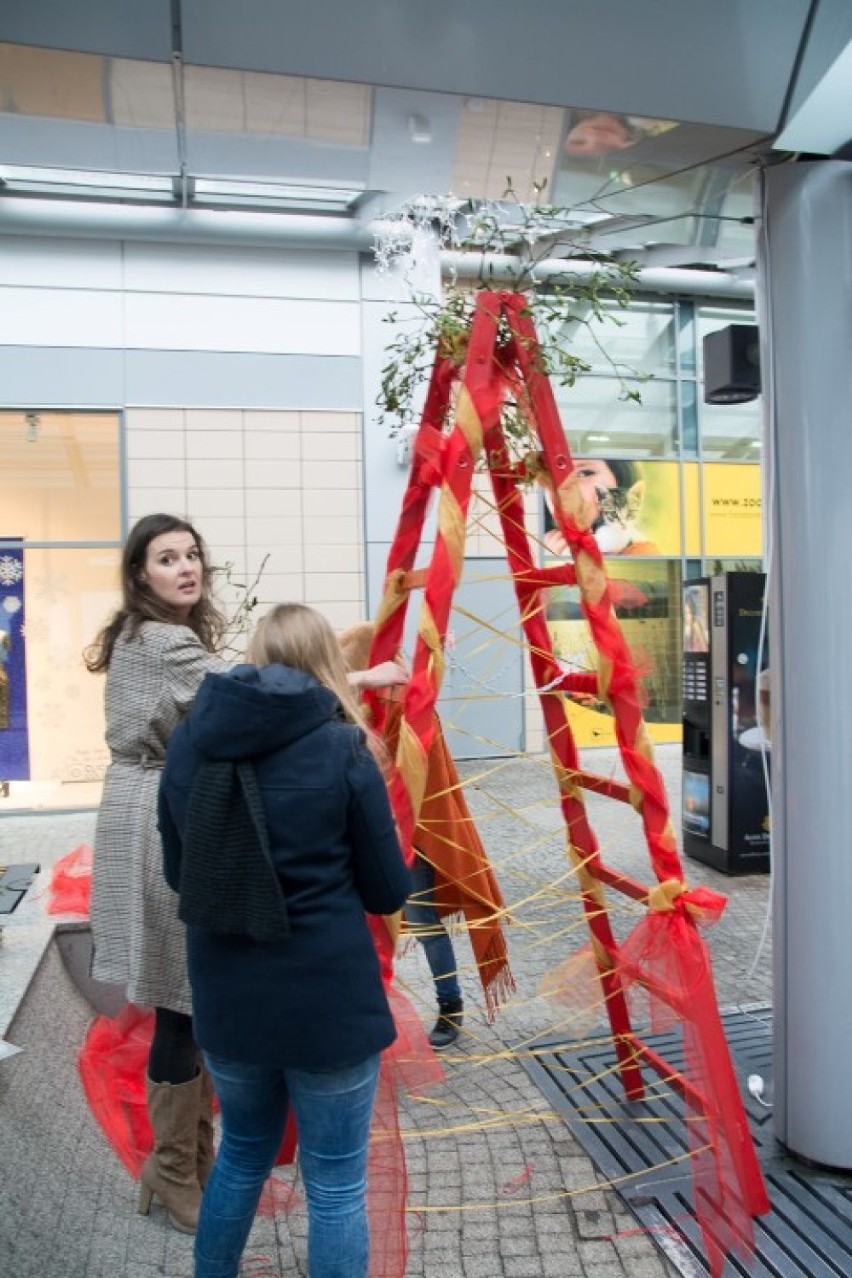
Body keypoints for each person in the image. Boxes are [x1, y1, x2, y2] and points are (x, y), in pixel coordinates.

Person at [85, 514, 406, 1235]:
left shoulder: (153, 635)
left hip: (148, 798)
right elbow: (252, 693)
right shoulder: (166, 641)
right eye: (167, 559)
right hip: (159, 810)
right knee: (180, 999)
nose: (186, 568)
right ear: (141, 575)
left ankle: (187, 1167)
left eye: (192, 554)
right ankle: (174, 1171)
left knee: (183, 1000)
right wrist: (359, 673)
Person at [157, 602, 412, 1278]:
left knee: (241, 1151)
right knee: (333, 1184)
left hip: (227, 993)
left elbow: (180, 872)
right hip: (326, 997)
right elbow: (389, 891)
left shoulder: (190, 740)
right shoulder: (342, 747)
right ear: (329, 664)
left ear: (257, 656)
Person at [338, 622, 514, 1052]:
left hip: (410, 835)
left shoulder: (404, 702)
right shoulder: (349, 704)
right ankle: (373, 1011)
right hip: (362, 835)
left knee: (423, 921)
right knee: (367, 928)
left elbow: (419, 769)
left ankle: (450, 1005)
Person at [543, 458, 659, 557]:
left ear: (619, 477)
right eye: (550, 476)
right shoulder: (539, 545)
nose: (563, 490)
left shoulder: (641, 553)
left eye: (585, 473)